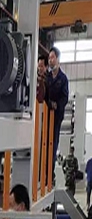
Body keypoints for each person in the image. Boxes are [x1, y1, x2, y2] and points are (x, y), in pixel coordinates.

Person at [46, 46, 69, 178]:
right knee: (43, 143)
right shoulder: (47, 78)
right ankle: (42, 172)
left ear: (58, 59)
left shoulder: (63, 79)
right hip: (45, 115)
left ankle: (50, 173)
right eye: (49, 58)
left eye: (52, 57)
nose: (50, 60)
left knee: (53, 144)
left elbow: (65, 97)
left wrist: (57, 105)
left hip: (56, 116)